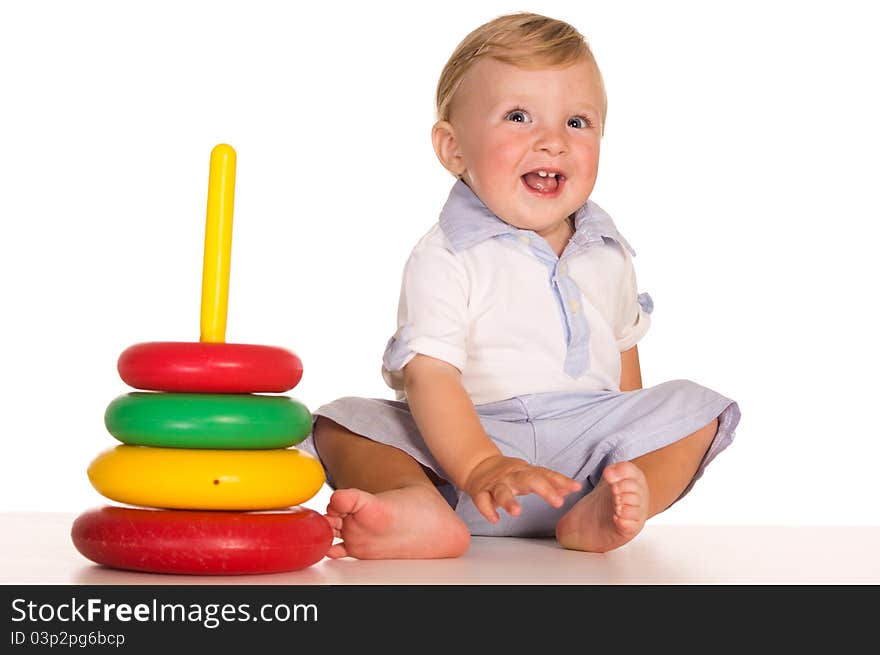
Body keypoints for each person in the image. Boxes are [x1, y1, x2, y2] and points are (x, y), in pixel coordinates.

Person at [298, 12, 741, 559]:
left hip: (582, 461)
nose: (553, 141)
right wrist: (481, 463)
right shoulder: (447, 254)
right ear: (453, 149)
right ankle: (417, 505)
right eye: (518, 117)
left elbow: (625, 359)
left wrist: (633, 441)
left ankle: (604, 511)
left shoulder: (607, 250)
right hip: (463, 452)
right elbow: (430, 376)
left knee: (696, 407)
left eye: (577, 123)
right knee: (344, 422)